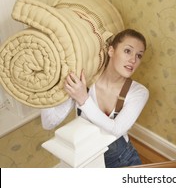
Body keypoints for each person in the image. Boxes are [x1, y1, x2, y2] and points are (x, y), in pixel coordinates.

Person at [41, 28, 149, 167]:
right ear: (111, 51)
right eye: (128, 51)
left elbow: (116, 129)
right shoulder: (84, 82)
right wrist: (46, 84)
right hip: (88, 161)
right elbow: (49, 123)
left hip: (122, 161)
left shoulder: (138, 92)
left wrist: (83, 99)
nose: (133, 60)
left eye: (139, 55)